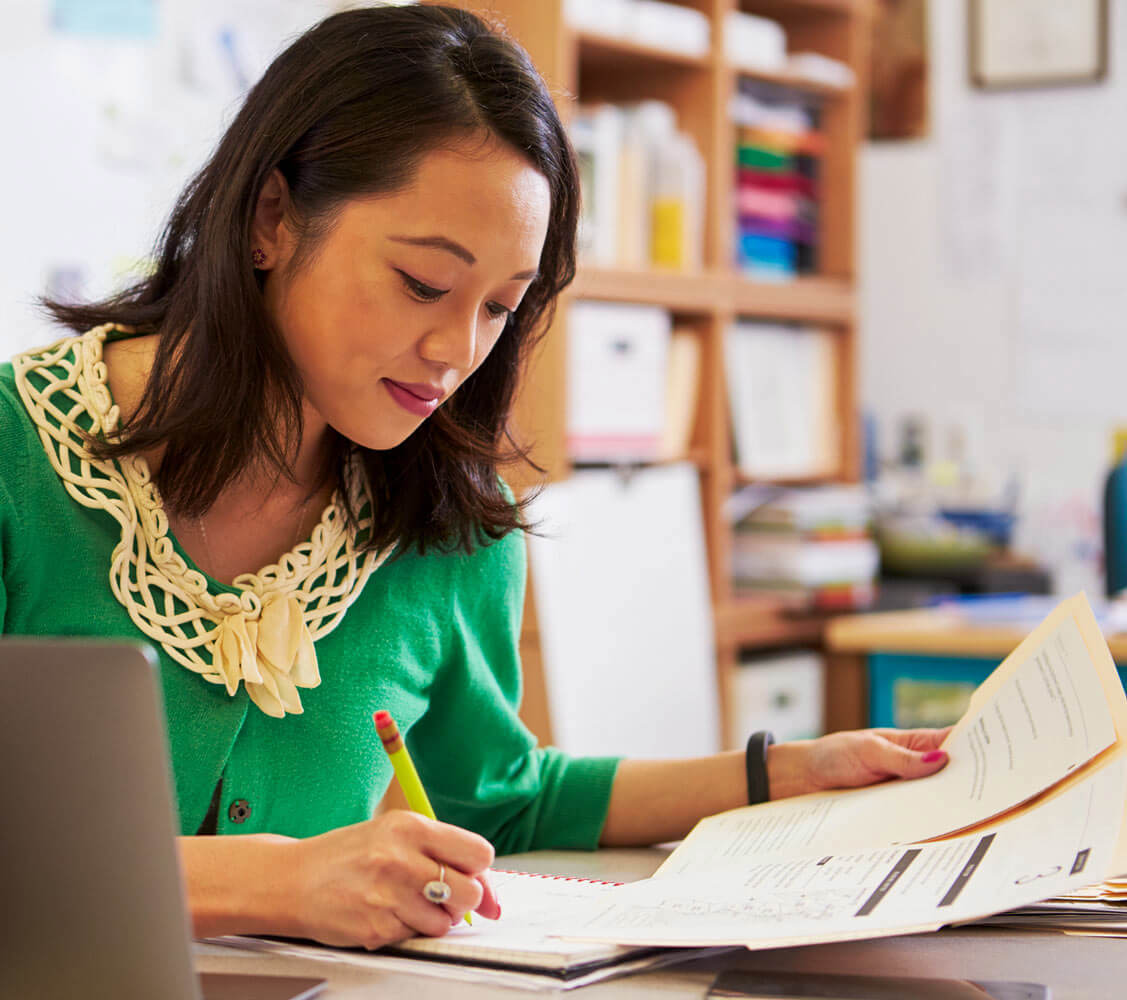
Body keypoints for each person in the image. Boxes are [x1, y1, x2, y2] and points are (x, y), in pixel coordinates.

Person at [0, 4, 949, 950]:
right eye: (422, 283)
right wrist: (282, 881)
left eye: (500, 305)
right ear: (272, 219)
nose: (456, 350)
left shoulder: (450, 523)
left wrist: (781, 774)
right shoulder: (18, 458)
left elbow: (504, 798)